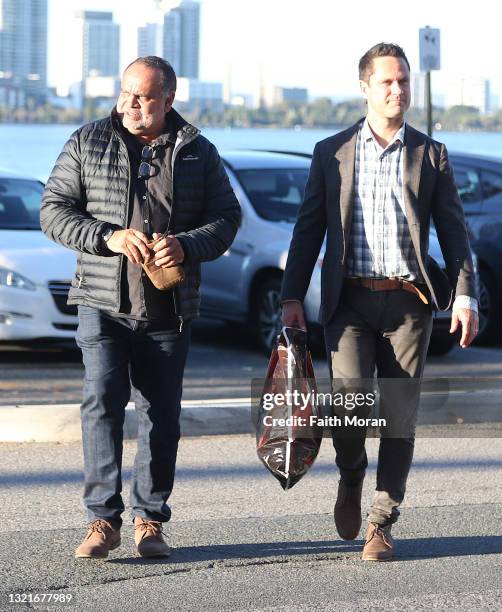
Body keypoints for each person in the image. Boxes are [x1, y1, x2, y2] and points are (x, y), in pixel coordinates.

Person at [281, 43, 478, 561]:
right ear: (365, 87)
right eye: (388, 82)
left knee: (397, 416)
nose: (398, 91)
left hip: (409, 304)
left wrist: (464, 296)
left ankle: (382, 520)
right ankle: (351, 476)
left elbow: (455, 234)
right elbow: (308, 229)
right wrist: (291, 296)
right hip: (348, 303)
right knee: (349, 407)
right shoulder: (332, 152)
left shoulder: (430, 154)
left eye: (404, 81)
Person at [40, 56, 240, 559]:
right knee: (101, 403)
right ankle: (101, 521)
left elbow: (227, 218)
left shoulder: (197, 150)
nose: (131, 103)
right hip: (101, 303)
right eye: (127, 92)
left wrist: (188, 245)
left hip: (168, 309)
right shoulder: (88, 141)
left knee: (161, 415)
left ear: (168, 100)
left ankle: (150, 519)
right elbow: (53, 212)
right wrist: (108, 237)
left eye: (145, 96)